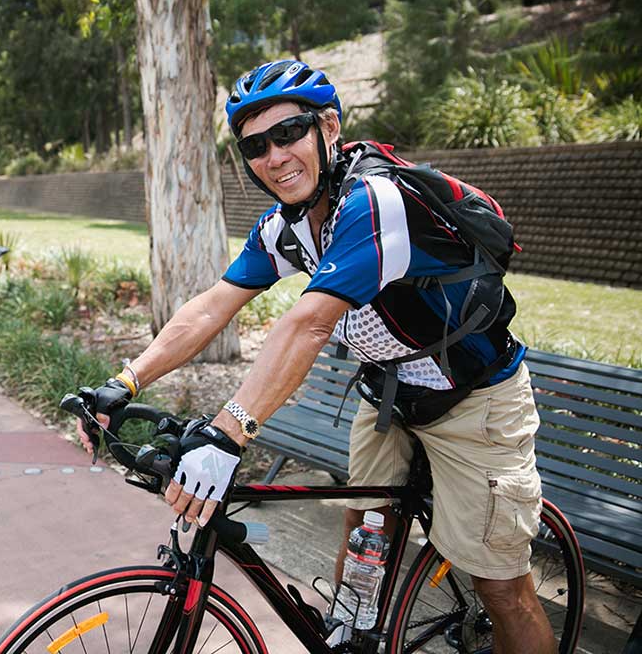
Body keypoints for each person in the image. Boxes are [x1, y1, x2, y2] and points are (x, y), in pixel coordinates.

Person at [77, 60, 555, 653]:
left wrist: (229, 434)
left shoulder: (375, 203)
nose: (274, 157)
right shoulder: (286, 225)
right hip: (390, 393)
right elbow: (211, 308)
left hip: (475, 402)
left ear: (328, 127)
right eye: (255, 145)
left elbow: (309, 323)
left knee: (500, 585)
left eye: (287, 134)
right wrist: (124, 381)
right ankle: (354, 635)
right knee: (365, 526)